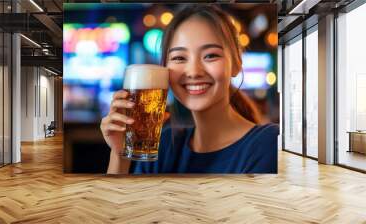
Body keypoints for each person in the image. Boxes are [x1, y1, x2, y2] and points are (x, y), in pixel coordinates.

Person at [100, 5, 279, 174]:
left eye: (210, 55)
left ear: (237, 64)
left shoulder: (269, 143)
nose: (193, 72)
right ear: (165, 71)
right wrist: (120, 156)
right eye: (179, 58)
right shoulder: (164, 146)